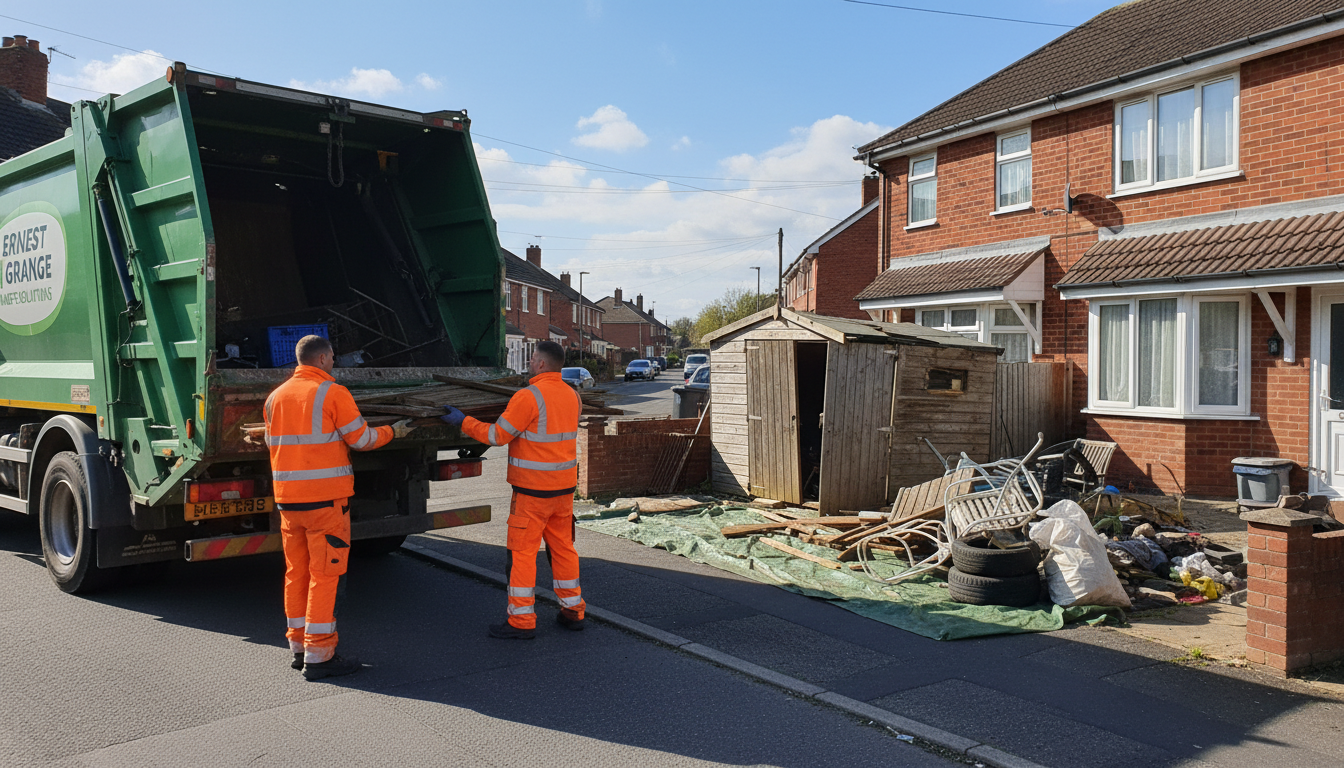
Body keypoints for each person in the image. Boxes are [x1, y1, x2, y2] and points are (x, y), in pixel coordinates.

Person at [263, 335, 415, 679]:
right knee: (324, 575)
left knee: (296, 573)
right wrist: (394, 432)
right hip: (325, 503)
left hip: (288, 501)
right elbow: (361, 439)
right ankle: (320, 656)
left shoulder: (274, 398)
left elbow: (275, 446)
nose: (334, 363)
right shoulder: (333, 394)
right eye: (332, 358)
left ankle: (299, 647)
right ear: (324, 358)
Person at [443, 340, 585, 638]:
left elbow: (497, 435)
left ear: (542, 364)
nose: (530, 362)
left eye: (533, 359)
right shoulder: (573, 396)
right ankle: (573, 610)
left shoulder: (528, 397)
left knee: (522, 553)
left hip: (532, 493)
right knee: (563, 549)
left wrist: (462, 421)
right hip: (563, 492)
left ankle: (521, 621)